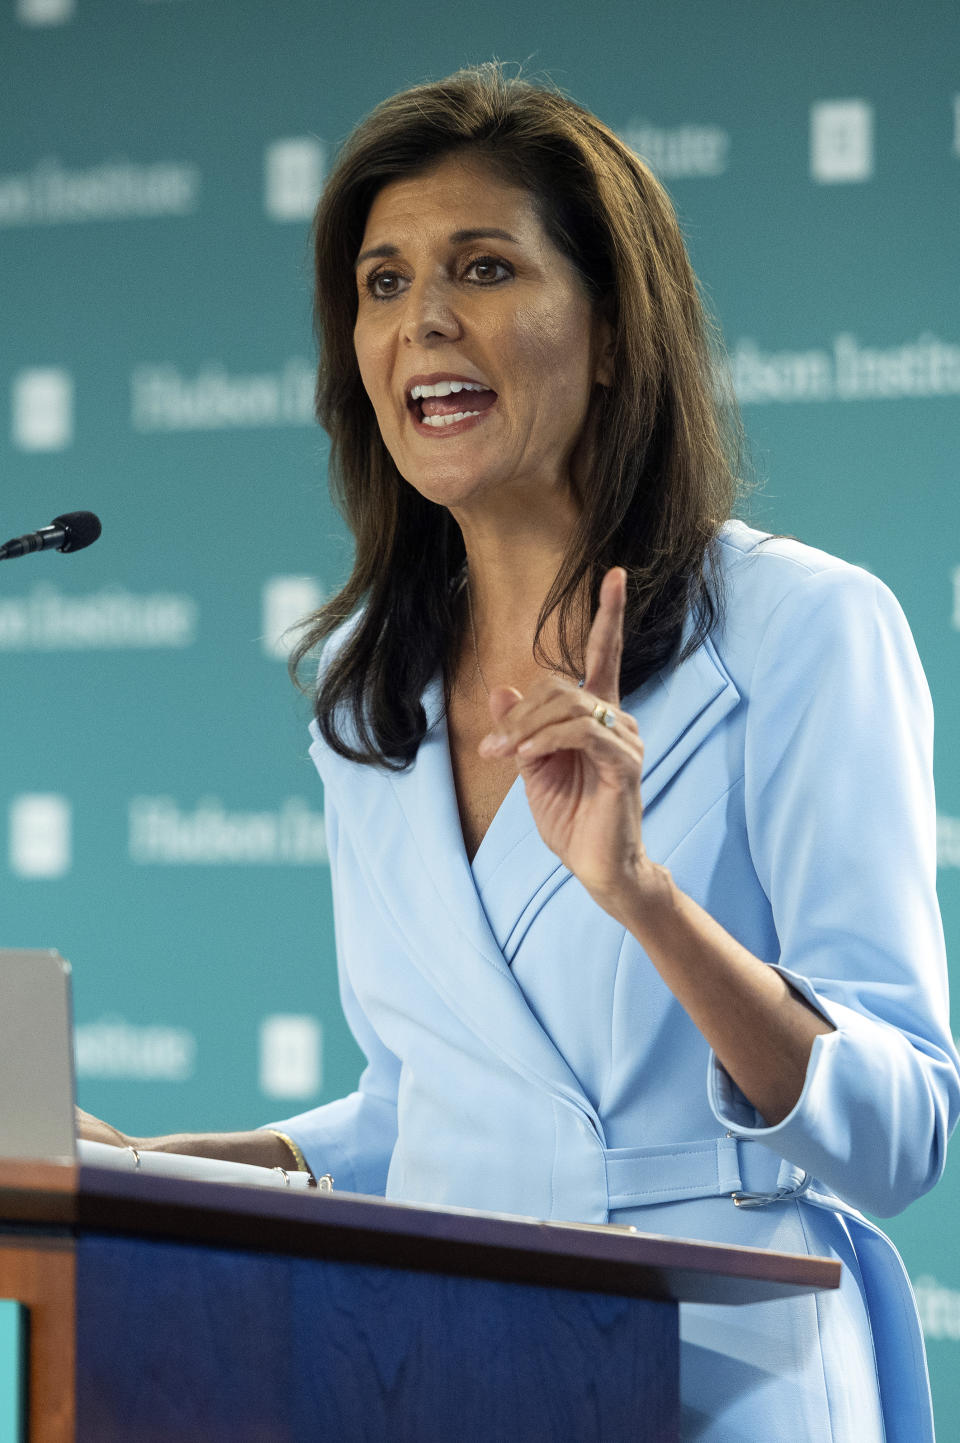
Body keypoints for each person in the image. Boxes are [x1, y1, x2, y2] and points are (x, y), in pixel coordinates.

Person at [80, 65, 960, 1441]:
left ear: (611, 330)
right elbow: (424, 1112)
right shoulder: (364, 689)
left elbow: (900, 1131)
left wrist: (646, 901)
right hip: (447, 1363)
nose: (423, 319)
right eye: (382, 284)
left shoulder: (805, 630)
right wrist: (134, 1167)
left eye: (482, 268)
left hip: (719, 1371)